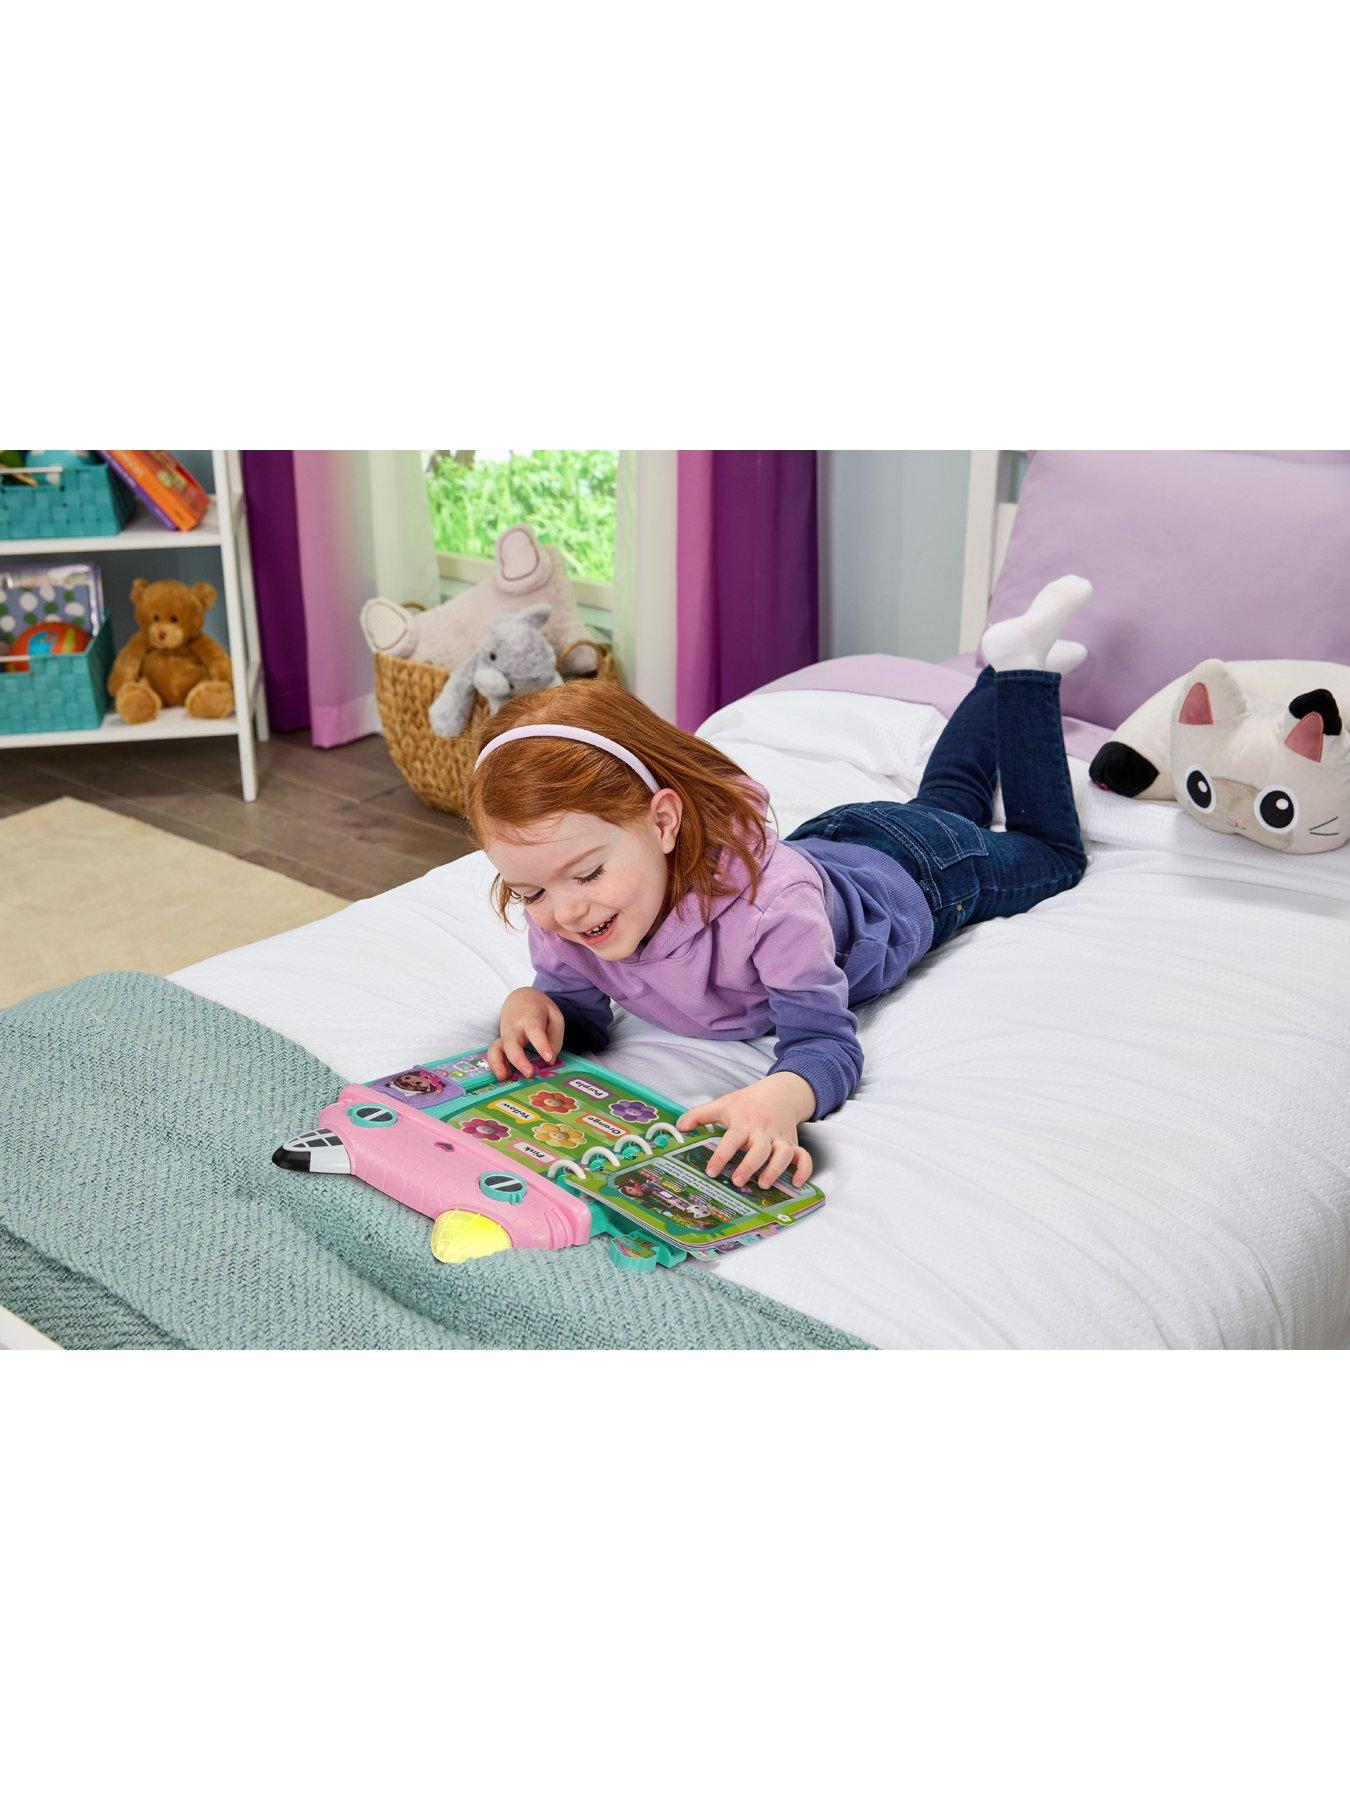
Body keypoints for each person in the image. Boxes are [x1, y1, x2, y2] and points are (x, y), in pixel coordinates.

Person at [467, 577, 1093, 1195]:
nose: (565, 911)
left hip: (922, 872)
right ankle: (1004, 666)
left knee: (1051, 853)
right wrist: (534, 1008)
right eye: (530, 893)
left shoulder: (770, 914)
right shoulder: (567, 908)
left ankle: (1024, 679)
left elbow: (824, 1042)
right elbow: (580, 1014)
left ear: (662, 822)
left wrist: (781, 1097)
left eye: (588, 874)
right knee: (949, 799)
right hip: (834, 844)